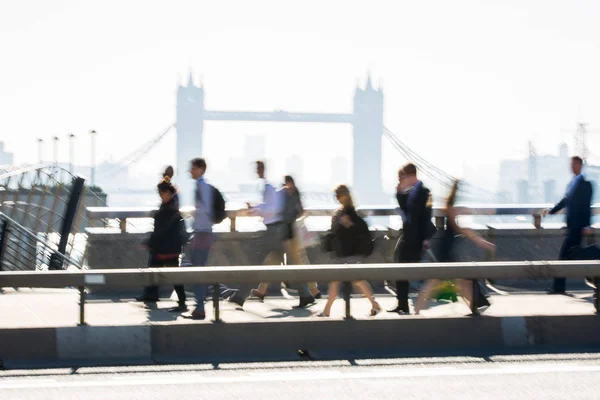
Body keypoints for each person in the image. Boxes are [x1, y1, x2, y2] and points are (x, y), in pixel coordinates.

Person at [229, 162, 316, 308]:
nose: (257, 171)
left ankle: (240, 296)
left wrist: (255, 210)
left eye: (259, 168)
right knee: (283, 266)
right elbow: (272, 206)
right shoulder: (270, 186)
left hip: (274, 231)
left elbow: (273, 209)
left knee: (257, 262)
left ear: (262, 169)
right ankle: (305, 294)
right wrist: (256, 209)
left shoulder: (270, 187)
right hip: (278, 231)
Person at [414, 180, 495, 314]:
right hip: (446, 250)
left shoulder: (450, 207)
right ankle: (417, 311)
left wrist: (485, 212)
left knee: (459, 282)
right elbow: (459, 226)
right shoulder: (451, 209)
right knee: (444, 281)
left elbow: (467, 211)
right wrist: (480, 241)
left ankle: (474, 308)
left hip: (446, 248)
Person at [251, 175, 321, 300]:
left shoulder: (291, 195)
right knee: (274, 261)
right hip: (286, 233)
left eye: (287, 183)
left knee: (297, 262)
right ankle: (262, 290)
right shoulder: (290, 195)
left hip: (289, 234)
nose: (285, 185)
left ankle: (312, 291)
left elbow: (288, 213)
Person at [317, 185, 380, 317]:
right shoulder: (343, 212)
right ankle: (374, 304)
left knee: (348, 281)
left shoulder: (348, 213)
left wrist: (348, 225)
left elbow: (354, 230)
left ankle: (327, 311)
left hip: (350, 253)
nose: (337, 198)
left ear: (343, 196)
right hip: (346, 253)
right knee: (355, 281)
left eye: (338, 196)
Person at [135, 167, 187, 312]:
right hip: (169, 248)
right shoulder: (170, 205)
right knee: (158, 272)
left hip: (166, 248)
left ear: (167, 193)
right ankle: (154, 295)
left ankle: (178, 302)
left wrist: (150, 243)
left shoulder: (168, 209)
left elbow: (161, 230)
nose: (160, 196)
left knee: (164, 274)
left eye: (161, 193)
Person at [542, 156, 594, 294]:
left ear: (580, 165)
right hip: (572, 227)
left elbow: (586, 206)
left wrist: (587, 225)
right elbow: (565, 201)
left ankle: (559, 288)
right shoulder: (572, 183)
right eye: (570, 164)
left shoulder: (586, 184)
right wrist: (551, 211)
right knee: (573, 256)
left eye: (573, 164)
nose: (571, 167)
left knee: (565, 257)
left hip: (578, 228)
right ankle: (560, 287)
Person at [389, 163, 436, 314]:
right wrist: (399, 194)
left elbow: (426, 216)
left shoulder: (424, 192)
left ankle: (404, 304)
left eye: (402, 177)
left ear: (410, 176)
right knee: (399, 268)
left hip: (417, 238)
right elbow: (404, 210)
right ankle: (402, 304)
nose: (400, 180)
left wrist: (426, 238)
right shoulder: (409, 192)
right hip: (407, 235)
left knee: (407, 270)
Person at [187, 157, 216, 320]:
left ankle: (200, 308)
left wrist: (195, 216)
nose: (190, 171)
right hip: (201, 232)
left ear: (201, 169)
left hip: (202, 233)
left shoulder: (202, 186)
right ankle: (199, 306)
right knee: (198, 270)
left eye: (193, 168)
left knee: (198, 271)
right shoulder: (200, 186)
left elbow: (206, 210)